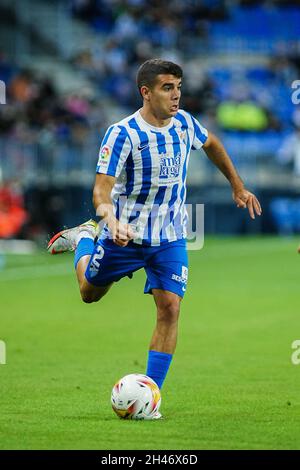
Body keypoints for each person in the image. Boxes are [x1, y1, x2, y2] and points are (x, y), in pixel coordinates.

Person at [47, 59, 262, 418]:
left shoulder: (185, 124)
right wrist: (109, 220)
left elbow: (212, 144)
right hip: (124, 234)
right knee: (89, 293)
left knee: (170, 308)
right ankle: (85, 236)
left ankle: (149, 397)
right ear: (145, 92)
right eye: (167, 87)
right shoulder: (122, 134)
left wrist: (237, 187)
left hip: (170, 236)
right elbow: (101, 191)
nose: (176, 94)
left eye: (178, 87)